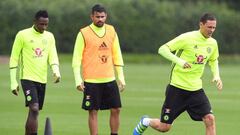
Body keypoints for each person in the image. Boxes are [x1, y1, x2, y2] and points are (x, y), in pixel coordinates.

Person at [133, 13, 223, 135]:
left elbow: (213, 60)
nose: (211, 30)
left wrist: (216, 75)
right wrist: (180, 61)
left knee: (210, 119)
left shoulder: (213, 43)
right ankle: (146, 121)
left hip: (196, 90)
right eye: (209, 27)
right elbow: (162, 49)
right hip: (177, 89)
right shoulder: (187, 38)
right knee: (164, 127)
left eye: (214, 27)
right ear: (201, 24)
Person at [72, 4, 126, 135]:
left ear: (106, 16)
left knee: (116, 109)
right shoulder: (83, 33)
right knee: (93, 111)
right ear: (92, 16)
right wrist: (78, 80)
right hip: (91, 80)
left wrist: (121, 77)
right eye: (97, 17)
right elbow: (76, 59)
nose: (100, 19)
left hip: (109, 79)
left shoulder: (112, 30)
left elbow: (117, 54)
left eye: (102, 17)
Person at [9, 10, 61, 135]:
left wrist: (56, 71)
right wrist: (13, 81)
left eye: (46, 24)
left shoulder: (49, 36)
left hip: (42, 79)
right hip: (27, 78)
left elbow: (53, 56)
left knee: (34, 112)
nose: (44, 27)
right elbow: (14, 58)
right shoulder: (22, 35)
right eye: (41, 24)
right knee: (34, 109)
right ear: (35, 22)